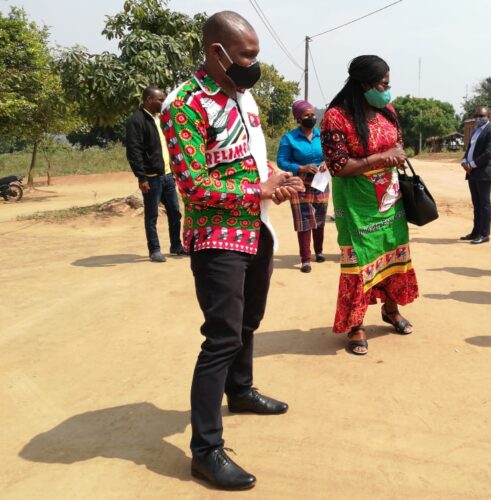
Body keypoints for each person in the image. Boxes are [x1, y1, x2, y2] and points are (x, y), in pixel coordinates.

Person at [161, 11, 305, 490]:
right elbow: (194, 185)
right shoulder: (184, 106)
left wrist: (275, 178)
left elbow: (249, 156)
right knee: (221, 337)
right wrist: (259, 190)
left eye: (255, 55)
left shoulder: (243, 97)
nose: (252, 65)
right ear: (215, 52)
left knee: (249, 322)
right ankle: (205, 451)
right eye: (245, 56)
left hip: (256, 230)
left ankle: (240, 391)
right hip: (217, 238)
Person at [321, 54, 418, 356]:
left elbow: (399, 144)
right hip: (355, 204)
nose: (388, 90)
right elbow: (337, 165)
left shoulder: (387, 110)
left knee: (392, 253)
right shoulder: (336, 117)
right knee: (359, 262)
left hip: (390, 200)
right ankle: (356, 324)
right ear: (365, 85)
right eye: (383, 84)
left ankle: (391, 310)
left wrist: (395, 154)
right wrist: (380, 158)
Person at [125, 86, 184, 262]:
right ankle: (155, 250)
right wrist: (141, 177)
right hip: (151, 177)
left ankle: (176, 246)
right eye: (160, 99)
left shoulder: (161, 119)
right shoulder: (136, 121)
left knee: (175, 212)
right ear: (149, 100)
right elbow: (134, 151)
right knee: (152, 215)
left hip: (167, 175)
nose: (163, 102)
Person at [276, 100, 329, 273]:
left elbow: (330, 154)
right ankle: (306, 259)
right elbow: (281, 161)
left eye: (313, 115)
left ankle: (319, 251)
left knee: (320, 218)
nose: (311, 118)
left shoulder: (322, 135)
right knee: (304, 219)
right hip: (299, 183)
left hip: (320, 181)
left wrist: (326, 163)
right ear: (298, 118)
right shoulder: (289, 138)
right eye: (307, 115)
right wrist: (300, 167)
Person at [460, 106, 491, 244]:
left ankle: (484, 234)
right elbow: (469, 149)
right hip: (472, 173)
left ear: (489, 116)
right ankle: (475, 231)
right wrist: (464, 161)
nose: (478, 118)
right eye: (476, 115)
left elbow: (488, 153)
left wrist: (471, 165)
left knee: (484, 204)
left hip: (483, 172)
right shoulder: (475, 131)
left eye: (482, 116)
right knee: (476, 204)